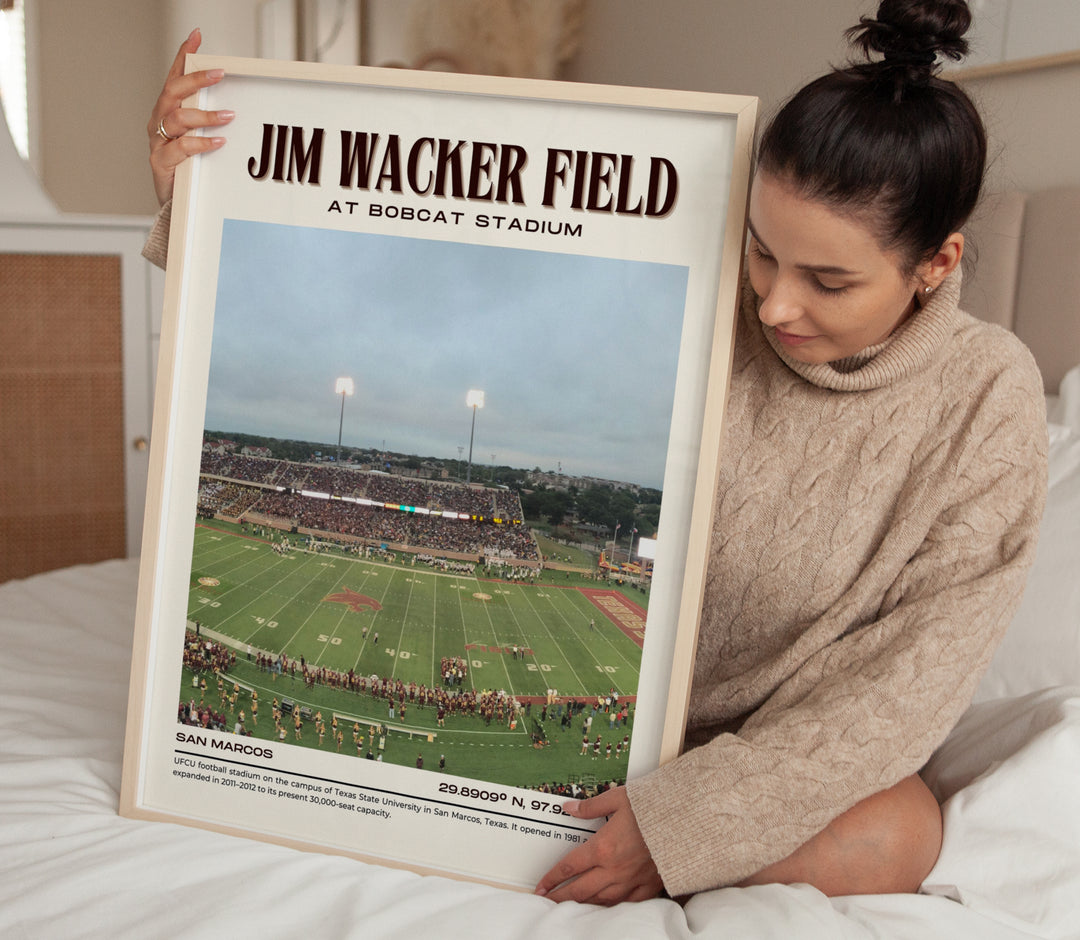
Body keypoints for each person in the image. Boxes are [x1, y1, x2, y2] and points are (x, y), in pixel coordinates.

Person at [145, 0, 1046, 905]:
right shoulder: (704, 293)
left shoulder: (987, 397)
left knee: (901, 833)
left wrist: (689, 824)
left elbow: (906, 689)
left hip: (771, 755)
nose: (773, 305)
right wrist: (204, 196)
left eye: (829, 280)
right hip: (620, 726)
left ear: (936, 263)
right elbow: (461, 260)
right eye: (764, 253)